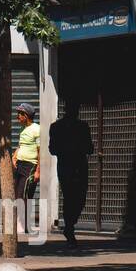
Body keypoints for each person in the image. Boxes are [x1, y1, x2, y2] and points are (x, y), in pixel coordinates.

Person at [49, 100, 94, 245]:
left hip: (73, 166)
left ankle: (70, 224)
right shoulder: (58, 127)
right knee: (72, 197)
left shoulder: (80, 127)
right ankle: (69, 226)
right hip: (70, 166)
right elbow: (52, 148)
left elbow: (89, 147)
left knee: (76, 197)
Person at [13, 102, 41, 235]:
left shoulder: (36, 129)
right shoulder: (23, 129)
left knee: (23, 195)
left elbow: (40, 150)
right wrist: (14, 155)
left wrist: (38, 171)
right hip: (20, 165)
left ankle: (25, 225)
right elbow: (21, 145)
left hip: (30, 166)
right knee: (18, 195)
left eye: (20, 114)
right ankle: (22, 224)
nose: (18, 116)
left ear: (27, 115)